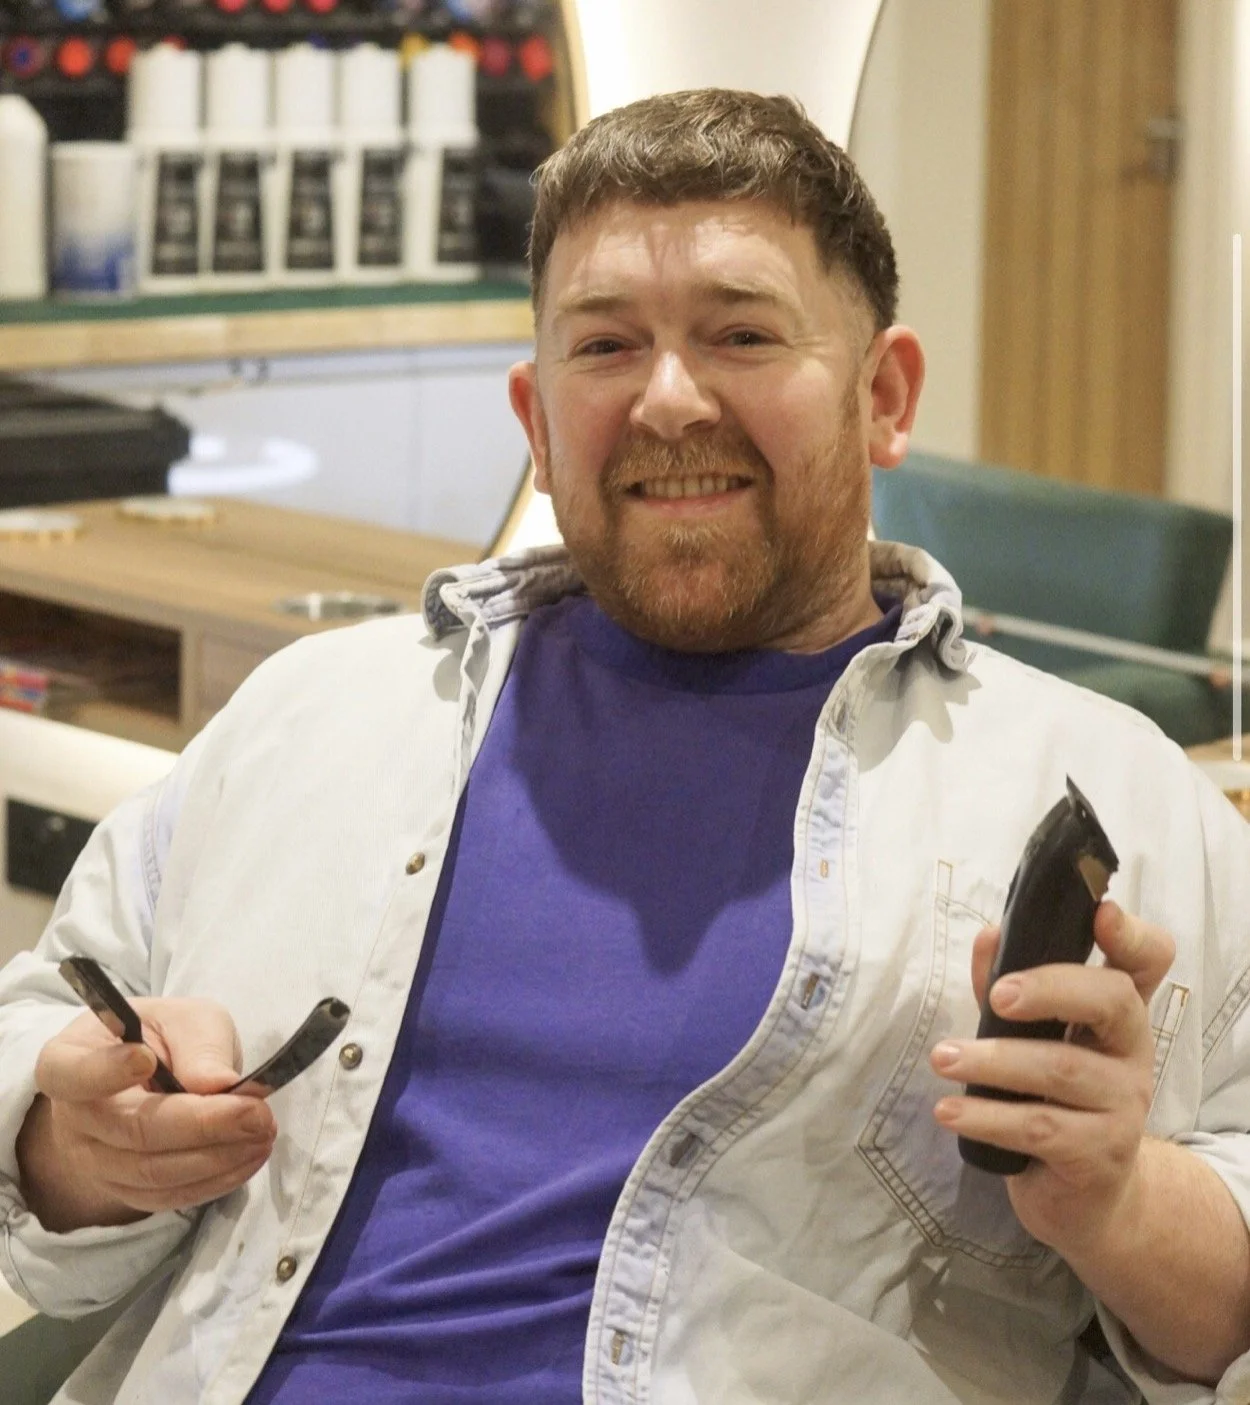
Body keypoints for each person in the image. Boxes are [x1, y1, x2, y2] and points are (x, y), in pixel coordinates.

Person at [1, 88, 1248, 1405]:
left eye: (740, 334)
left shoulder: (1110, 796)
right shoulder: (312, 715)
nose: (667, 400)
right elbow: (44, 1042)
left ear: (883, 396)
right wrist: (82, 1145)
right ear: (537, 423)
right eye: (605, 346)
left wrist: (1117, 1199)